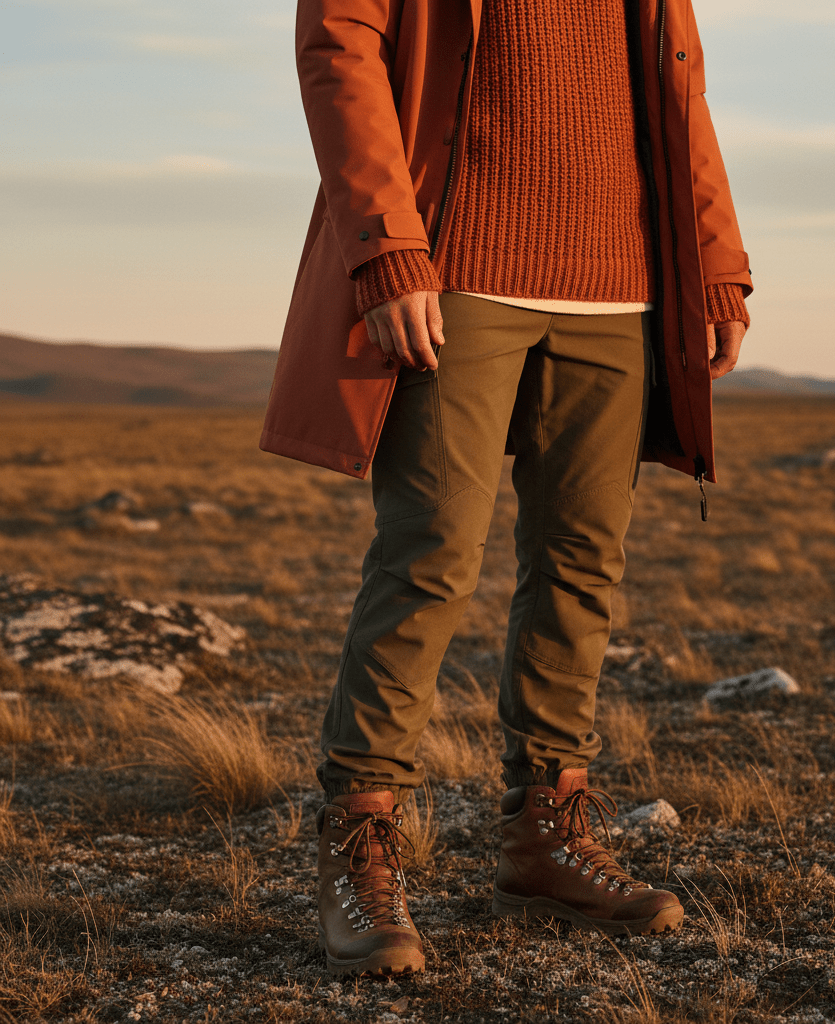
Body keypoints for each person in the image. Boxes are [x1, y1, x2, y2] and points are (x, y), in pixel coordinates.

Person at [261, 0, 751, 978]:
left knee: (581, 565)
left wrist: (715, 261)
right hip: (457, 271)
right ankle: (360, 844)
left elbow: (677, 80)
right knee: (429, 555)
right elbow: (340, 44)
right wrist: (385, 244)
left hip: (622, 282)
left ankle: (546, 838)